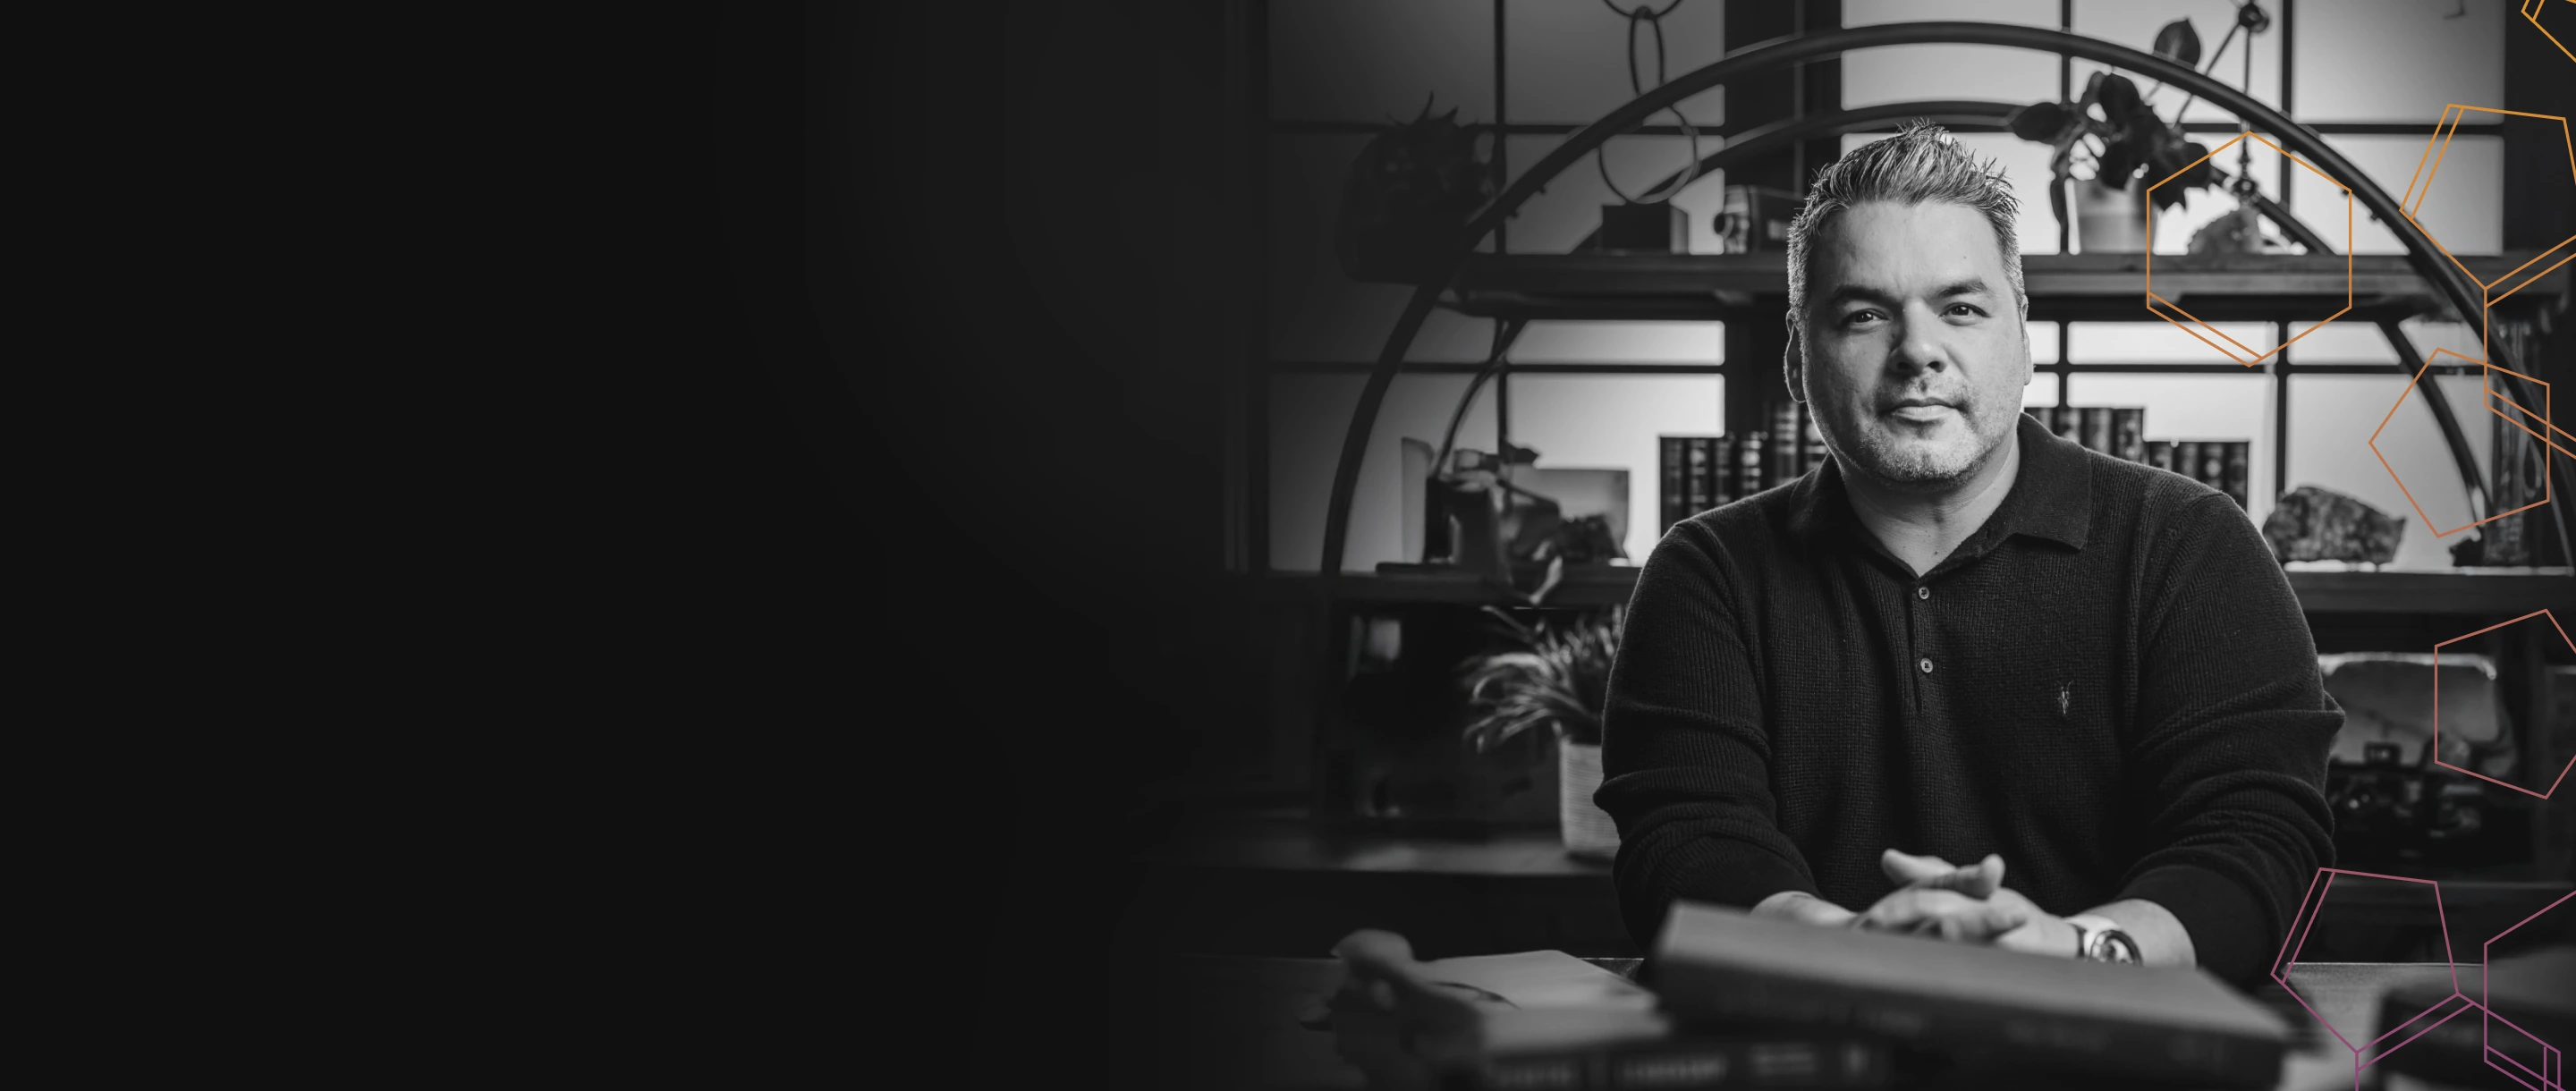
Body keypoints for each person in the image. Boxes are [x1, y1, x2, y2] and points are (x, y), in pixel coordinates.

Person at [1595, 121, 2338, 985]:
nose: (1918, 351)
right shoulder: (1707, 573)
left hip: (2130, 1050)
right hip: (1804, 1041)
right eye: (1865, 314)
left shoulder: (2190, 546)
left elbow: (2260, 840)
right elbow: (1685, 845)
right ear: (1799, 359)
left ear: (2022, 338)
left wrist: (2071, 956)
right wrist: (1852, 955)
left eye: (1961, 307)